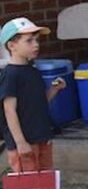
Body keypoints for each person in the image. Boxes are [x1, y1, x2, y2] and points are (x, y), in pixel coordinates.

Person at [0, 17, 67, 173]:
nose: (36, 44)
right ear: (12, 46)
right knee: (28, 186)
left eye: (37, 40)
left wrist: (54, 89)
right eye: (29, 41)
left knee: (45, 180)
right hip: (24, 142)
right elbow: (9, 110)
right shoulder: (10, 75)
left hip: (41, 136)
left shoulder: (33, 71)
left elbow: (40, 102)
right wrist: (20, 142)